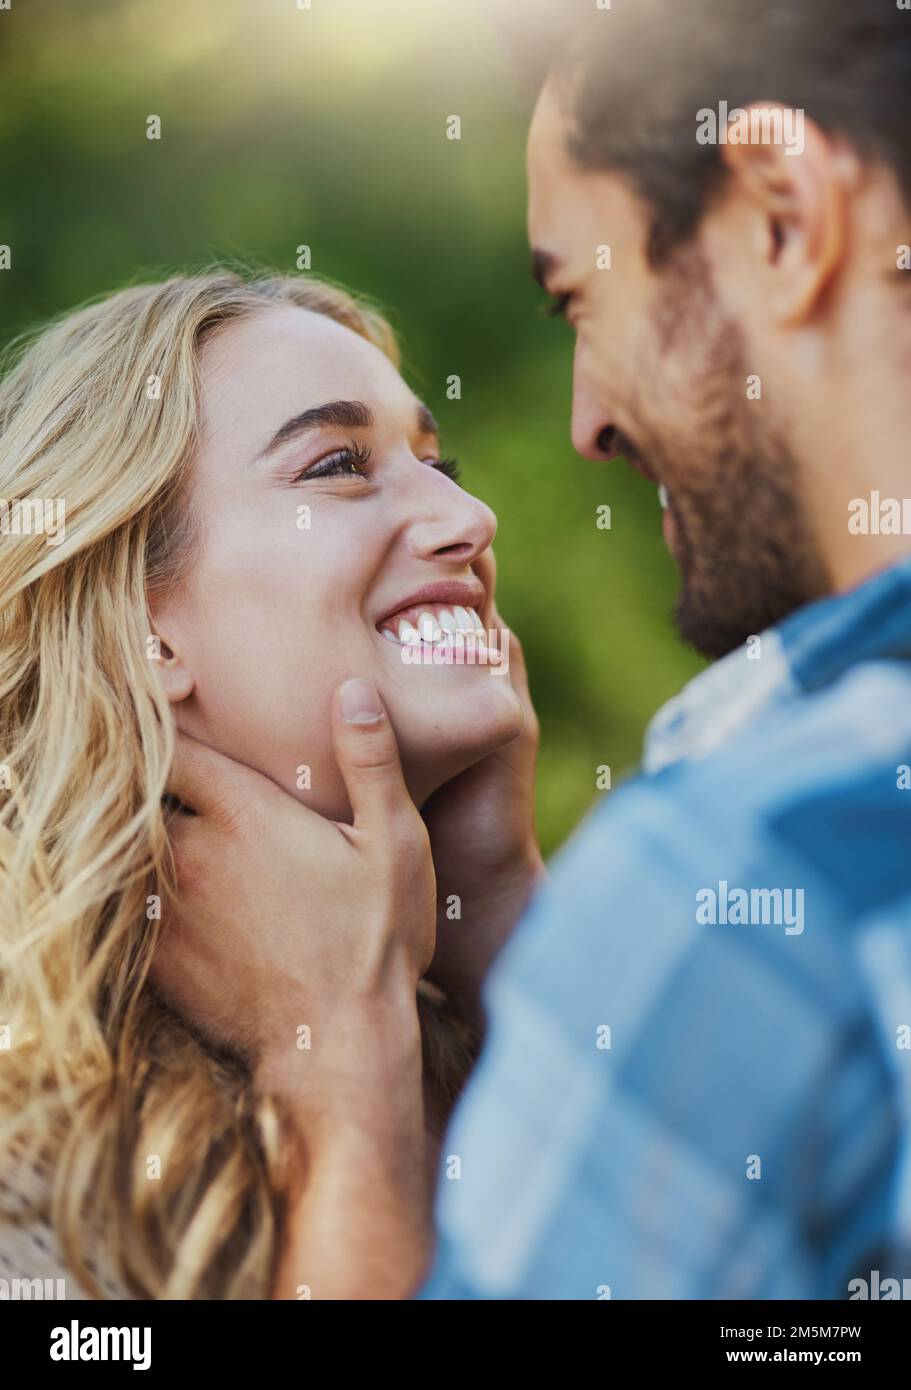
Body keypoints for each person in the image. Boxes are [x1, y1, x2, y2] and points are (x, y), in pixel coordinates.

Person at [155, 0, 911, 1300]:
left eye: (582, 296)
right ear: (137, 622)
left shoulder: (756, 864)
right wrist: (496, 899)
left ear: (784, 219)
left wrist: (344, 1076)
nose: (579, 426)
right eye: (340, 465)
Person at [0, 269, 541, 1299]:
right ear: (143, 629)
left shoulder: (487, 1023)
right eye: (339, 465)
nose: (468, 517)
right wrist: (338, 1053)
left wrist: (501, 901)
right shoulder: (37, 1146)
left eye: (440, 463)